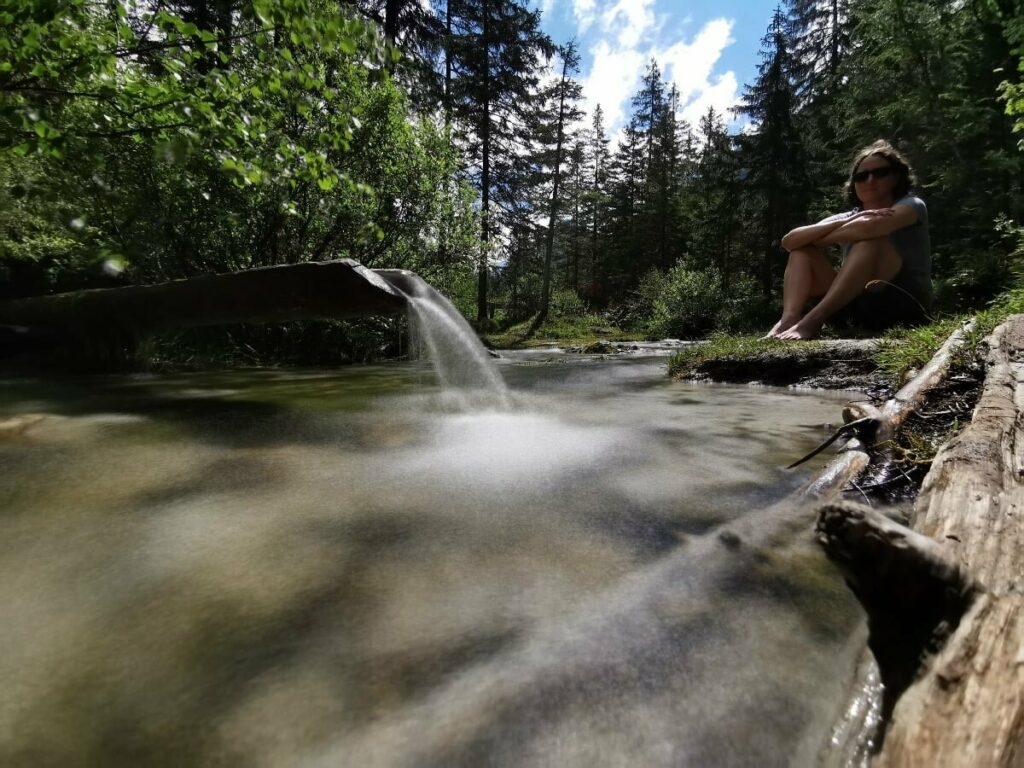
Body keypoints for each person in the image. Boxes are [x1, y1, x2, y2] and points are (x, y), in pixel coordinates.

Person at [766, 140, 932, 340]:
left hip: (903, 304)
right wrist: (851, 220)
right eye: (861, 176)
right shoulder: (849, 216)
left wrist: (824, 238)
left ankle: (812, 321)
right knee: (802, 252)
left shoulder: (911, 205)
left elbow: (869, 228)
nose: (870, 180)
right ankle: (789, 319)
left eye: (880, 173)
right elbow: (789, 241)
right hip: (855, 306)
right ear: (854, 184)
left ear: (896, 177)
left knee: (870, 241)